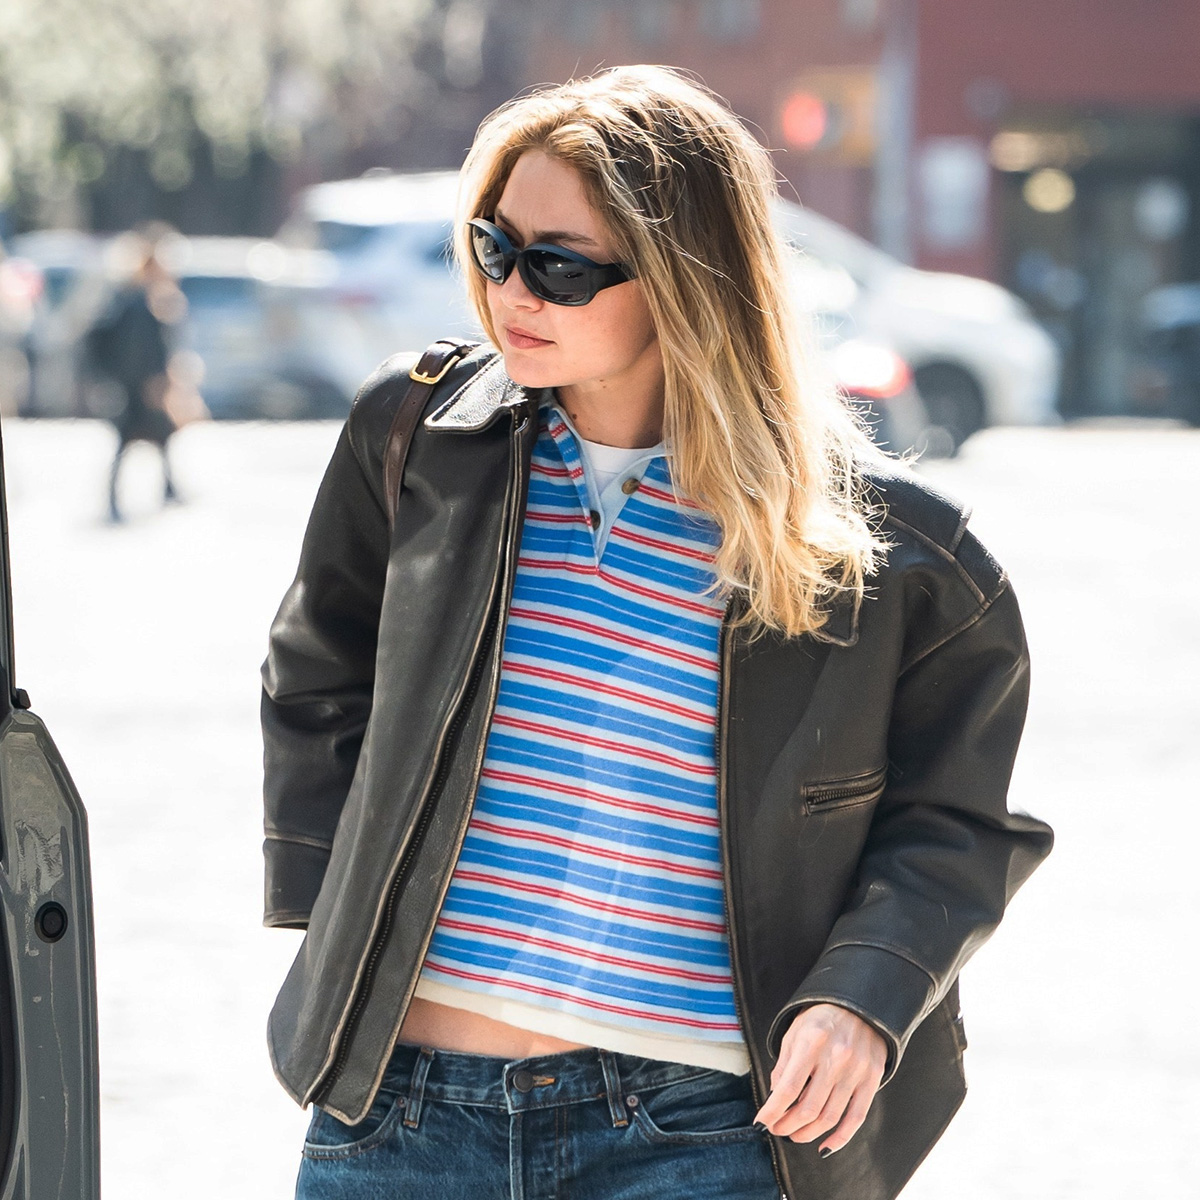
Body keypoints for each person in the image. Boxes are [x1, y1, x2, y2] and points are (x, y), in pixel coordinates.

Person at [261, 66, 1052, 1200]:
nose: (511, 293)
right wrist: (341, 920)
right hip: (402, 1111)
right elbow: (316, 676)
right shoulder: (420, 443)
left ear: (689, 279)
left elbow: (957, 822)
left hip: (698, 1136)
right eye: (496, 248)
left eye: (562, 267)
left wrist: (864, 994)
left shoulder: (893, 557)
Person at [87, 225, 185, 522]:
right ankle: (117, 500)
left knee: (157, 438)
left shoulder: (139, 300)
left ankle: (167, 489)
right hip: (137, 387)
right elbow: (143, 348)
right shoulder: (137, 303)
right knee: (131, 439)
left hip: (135, 384)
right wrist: (151, 379)